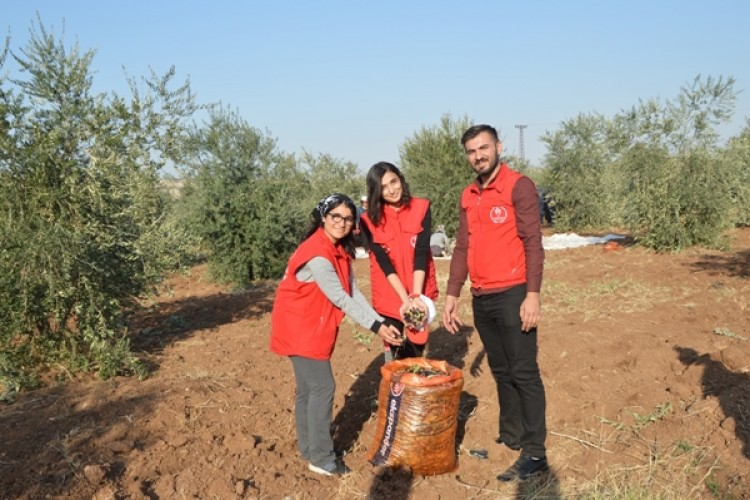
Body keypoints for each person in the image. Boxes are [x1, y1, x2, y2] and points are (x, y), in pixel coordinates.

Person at [442, 125, 548, 482]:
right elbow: (461, 247)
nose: (478, 156)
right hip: (482, 296)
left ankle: (535, 452)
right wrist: (453, 292)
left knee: (523, 371)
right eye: (471, 151)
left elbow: (533, 242)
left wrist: (532, 295)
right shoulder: (468, 194)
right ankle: (513, 432)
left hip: (514, 293)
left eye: (483, 148)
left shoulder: (519, 186)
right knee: (501, 370)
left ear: (498, 147)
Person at [270, 193, 403, 477]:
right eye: (336, 217)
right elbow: (341, 298)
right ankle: (322, 458)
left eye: (348, 218)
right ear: (323, 217)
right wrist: (377, 327)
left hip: (308, 324)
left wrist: (378, 321)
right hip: (300, 327)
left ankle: (309, 449)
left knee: (309, 389)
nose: (342, 223)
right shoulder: (318, 253)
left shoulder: (339, 250)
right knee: (322, 387)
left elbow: (352, 291)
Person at [359, 162, 439, 362]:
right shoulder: (368, 220)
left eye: (394, 182)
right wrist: (404, 300)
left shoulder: (421, 207)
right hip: (390, 296)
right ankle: (393, 394)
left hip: (418, 293)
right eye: (384, 187)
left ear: (401, 179)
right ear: (376, 192)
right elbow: (383, 262)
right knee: (393, 358)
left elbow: (421, 252)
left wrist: (415, 297)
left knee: (414, 353)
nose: (391, 190)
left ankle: (412, 392)